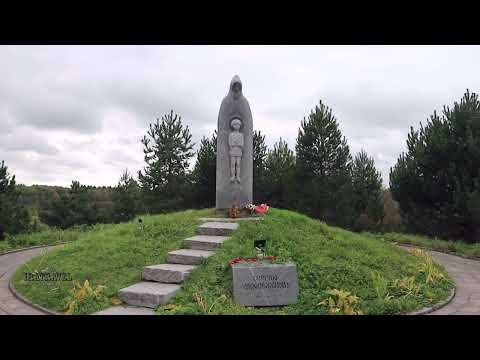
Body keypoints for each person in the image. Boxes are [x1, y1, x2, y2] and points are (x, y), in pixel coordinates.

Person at [229, 118, 244, 183]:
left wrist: (238, 144)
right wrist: (234, 144)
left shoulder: (241, 135)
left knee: (238, 164)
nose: (237, 126)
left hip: (238, 150)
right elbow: (230, 143)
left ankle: (238, 176)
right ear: (233, 126)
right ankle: (232, 176)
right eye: (235, 125)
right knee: (233, 164)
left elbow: (242, 144)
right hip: (233, 150)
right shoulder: (231, 134)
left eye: (238, 125)